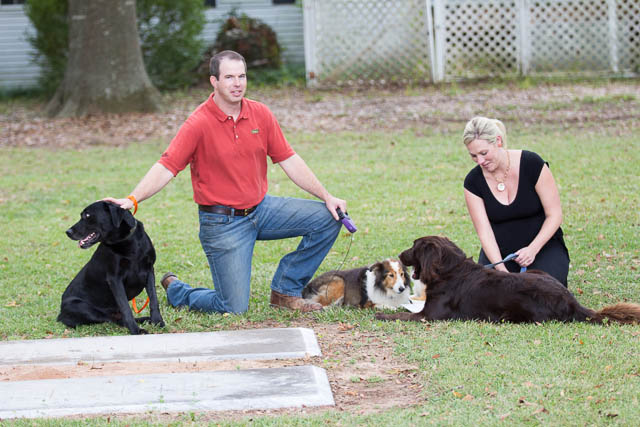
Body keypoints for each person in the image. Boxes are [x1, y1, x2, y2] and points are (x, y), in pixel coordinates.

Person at [105, 50, 345, 313]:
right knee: (233, 307)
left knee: (329, 217)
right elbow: (167, 166)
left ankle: (285, 291)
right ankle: (177, 290)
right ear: (214, 81)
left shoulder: (260, 114)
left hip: (261, 210)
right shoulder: (198, 123)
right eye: (229, 77)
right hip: (222, 224)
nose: (237, 83)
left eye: (241, 76)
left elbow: (289, 159)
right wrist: (132, 198)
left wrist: (326, 196)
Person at [462, 116, 570, 286]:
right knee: (490, 296)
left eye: (483, 153)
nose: (480, 161)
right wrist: (501, 270)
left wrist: (532, 249)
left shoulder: (532, 164)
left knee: (543, 290)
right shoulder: (473, 182)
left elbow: (554, 215)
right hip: (500, 254)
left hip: (541, 247)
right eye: (474, 156)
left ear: (498, 141)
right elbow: (485, 232)